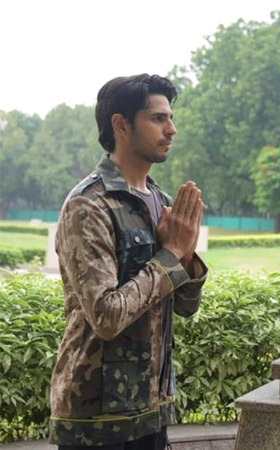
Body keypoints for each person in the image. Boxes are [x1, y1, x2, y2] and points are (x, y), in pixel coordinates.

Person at [49, 74, 208, 449]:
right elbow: (106, 315)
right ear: (120, 124)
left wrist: (186, 256)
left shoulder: (161, 201)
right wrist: (170, 257)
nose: (172, 129)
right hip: (97, 417)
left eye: (170, 117)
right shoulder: (89, 205)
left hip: (151, 408)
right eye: (158, 119)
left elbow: (185, 307)